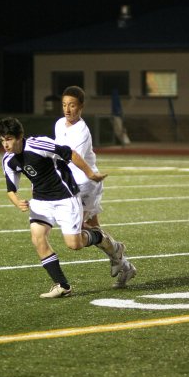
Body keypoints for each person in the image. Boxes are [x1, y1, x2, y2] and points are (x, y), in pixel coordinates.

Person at [0, 116, 111, 298]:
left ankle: (99, 236)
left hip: (65, 197)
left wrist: (90, 174)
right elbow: (10, 189)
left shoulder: (38, 144)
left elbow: (70, 153)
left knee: (75, 244)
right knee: (37, 237)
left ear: (19, 136)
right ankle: (62, 285)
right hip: (41, 202)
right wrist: (17, 201)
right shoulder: (8, 160)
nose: (6, 144)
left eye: (9, 139)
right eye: (2, 140)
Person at [54, 85, 137, 289]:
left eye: (72, 105)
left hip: (84, 185)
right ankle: (125, 266)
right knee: (94, 228)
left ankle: (117, 250)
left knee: (79, 231)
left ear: (81, 107)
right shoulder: (59, 124)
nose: (67, 109)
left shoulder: (81, 130)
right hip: (71, 184)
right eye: (64, 105)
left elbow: (72, 157)